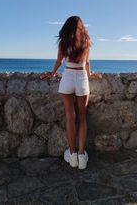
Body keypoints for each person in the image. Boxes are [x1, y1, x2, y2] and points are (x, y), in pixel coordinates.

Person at [40, 16, 102, 169]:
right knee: (82, 117)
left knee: (70, 117)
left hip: (67, 77)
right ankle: (82, 156)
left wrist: (53, 73)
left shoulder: (64, 43)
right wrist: (91, 74)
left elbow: (59, 61)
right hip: (81, 78)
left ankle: (72, 155)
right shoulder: (86, 42)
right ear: (81, 28)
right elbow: (87, 62)